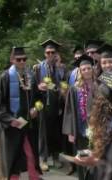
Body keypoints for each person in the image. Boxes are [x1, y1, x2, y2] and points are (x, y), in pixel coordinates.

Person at [0, 47, 41, 180]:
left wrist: (36, 109)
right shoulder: (4, 77)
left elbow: (40, 98)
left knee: (30, 152)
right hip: (14, 125)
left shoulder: (30, 76)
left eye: (24, 59)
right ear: (12, 60)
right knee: (13, 155)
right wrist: (10, 120)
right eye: (18, 59)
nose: (22, 61)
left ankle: (34, 176)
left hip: (29, 124)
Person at [62, 54, 97, 180]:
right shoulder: (74, 88)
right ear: (80, 72)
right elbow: (69, 111)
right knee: (82, 158)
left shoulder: (98, 86)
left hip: (96, 129)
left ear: (93, 69)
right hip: (80, 129)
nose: (87, 71)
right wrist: (70, 131)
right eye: (84, 69)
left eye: (89, 68)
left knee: (95, 159)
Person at [33, 39, 65, 171]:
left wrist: (61, 89)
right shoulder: (37, 68)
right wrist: (38, 86)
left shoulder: (61, 69)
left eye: (52, 52)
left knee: (55, 132)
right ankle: (43, 159)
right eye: (48, 52)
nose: (50, 54)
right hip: (42, 105)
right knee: (43, 133)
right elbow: (31, 87)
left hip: (56, 105)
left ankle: (56, 157)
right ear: (44, 53)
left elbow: (64, 85)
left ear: (56, 53)